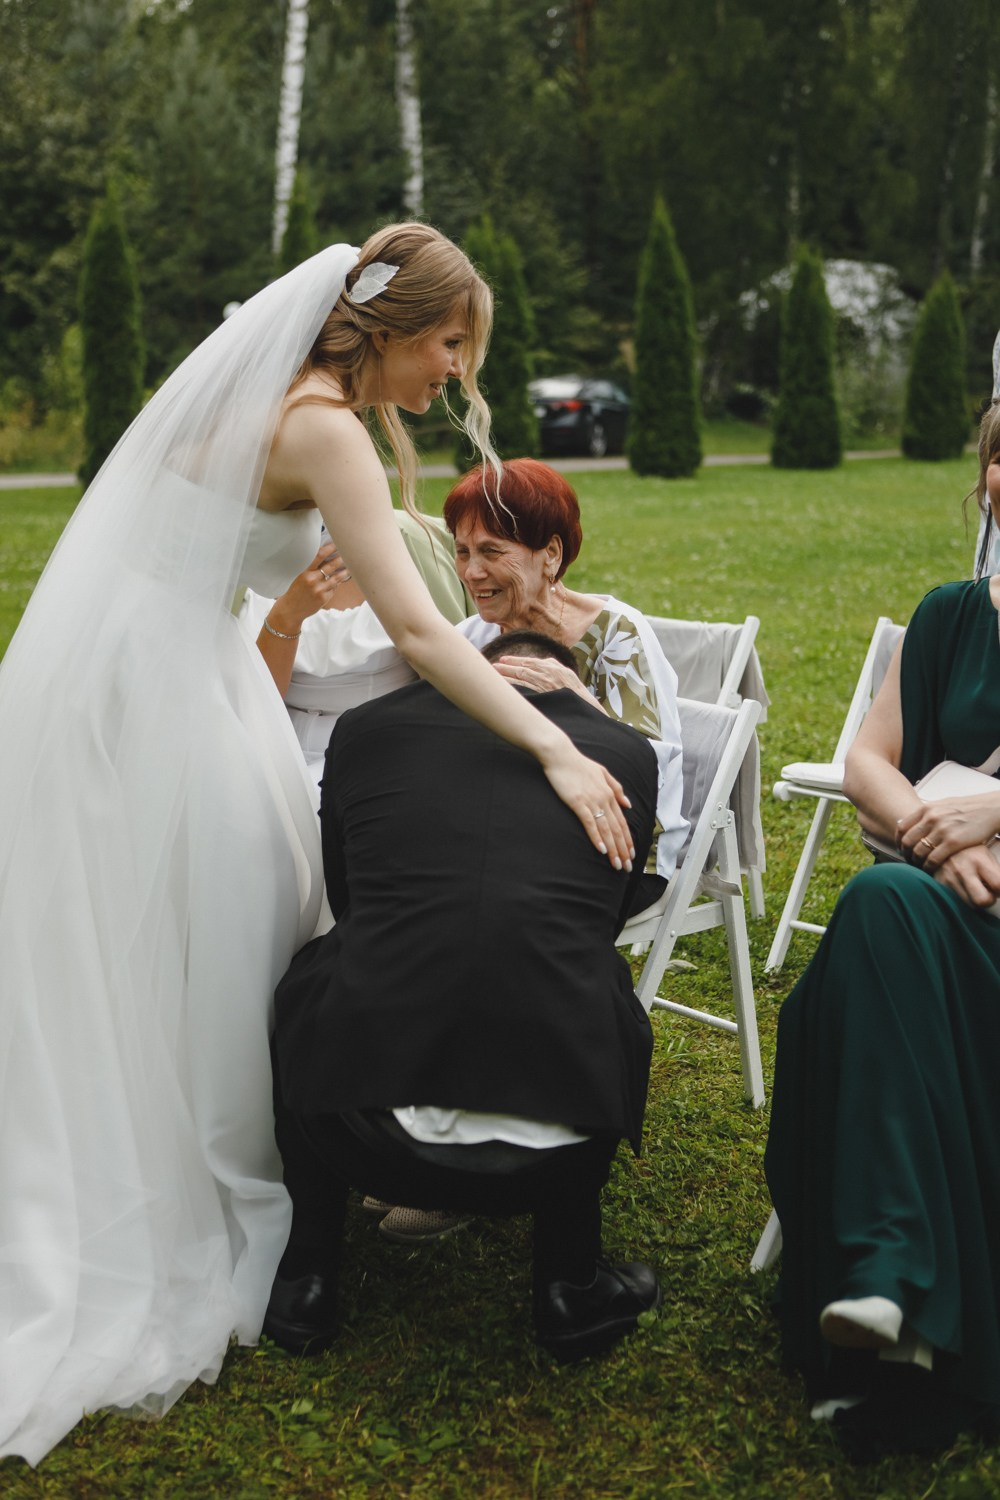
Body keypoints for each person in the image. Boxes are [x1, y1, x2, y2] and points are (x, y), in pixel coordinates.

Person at [0, 223, 636, 1466]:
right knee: (232, 911)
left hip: (185, 671)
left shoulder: (298, 398)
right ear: (393, 326)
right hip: (159, 696)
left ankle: (262, 1152)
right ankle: (200, 1173)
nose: (456, 373)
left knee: (236, 906)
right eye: (451, 343)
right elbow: (422, 625)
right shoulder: (319, 422)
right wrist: (556, 746)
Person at [264, 631, 662, 1363]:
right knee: (588, 976)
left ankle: (307, 1276)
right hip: (559, 1149)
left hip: (360, 1131)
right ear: (569, 689)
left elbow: (350, 899)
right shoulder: (626, 753)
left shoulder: (367, 729)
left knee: (312, 975)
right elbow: (608, 916)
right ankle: (570, 1285)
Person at [764, 553, 1000, 1455]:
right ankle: (891, 1285)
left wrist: (991, 819)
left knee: (878, 916)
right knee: (880, 903)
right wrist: (938, 843)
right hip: (935, 909)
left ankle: (896, 1282)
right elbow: (867, 758)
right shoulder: (948, 614)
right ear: (991, 482)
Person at [444, 457, 686, 913]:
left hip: (618, 843)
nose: (472, 572)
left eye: (491, 552)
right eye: (462, 551)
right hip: (496, 832)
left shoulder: (618, 634)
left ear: (550, 554)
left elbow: (650, 764)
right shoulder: (469, 638)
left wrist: (578, 701)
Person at [239, 511, 472, 785]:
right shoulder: (250, 544)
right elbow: (256, 699)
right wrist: (288, 616)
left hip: (379, 752)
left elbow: (446, 683)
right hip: (275, 748)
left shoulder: (405, 545)